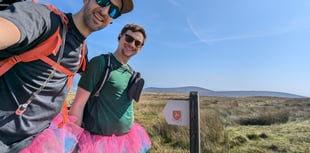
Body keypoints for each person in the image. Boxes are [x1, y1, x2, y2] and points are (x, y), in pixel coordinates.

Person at [0, 0, 134, 152]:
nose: (105, 11)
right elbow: (10, 27)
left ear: (111, 21)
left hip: (34, 142)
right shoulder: (46, 20)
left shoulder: (82, 51)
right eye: (102, 1)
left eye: (114, 11)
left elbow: (95, 80)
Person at [69, 23, 151, 153]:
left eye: (137, 43)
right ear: (120, 37)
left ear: (140, 48)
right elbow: (78, 104)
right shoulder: (100, 63)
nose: (132, 44)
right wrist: (72, 140)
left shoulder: (131, 72)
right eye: (129, 39)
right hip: (97, 143)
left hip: (125, 141)